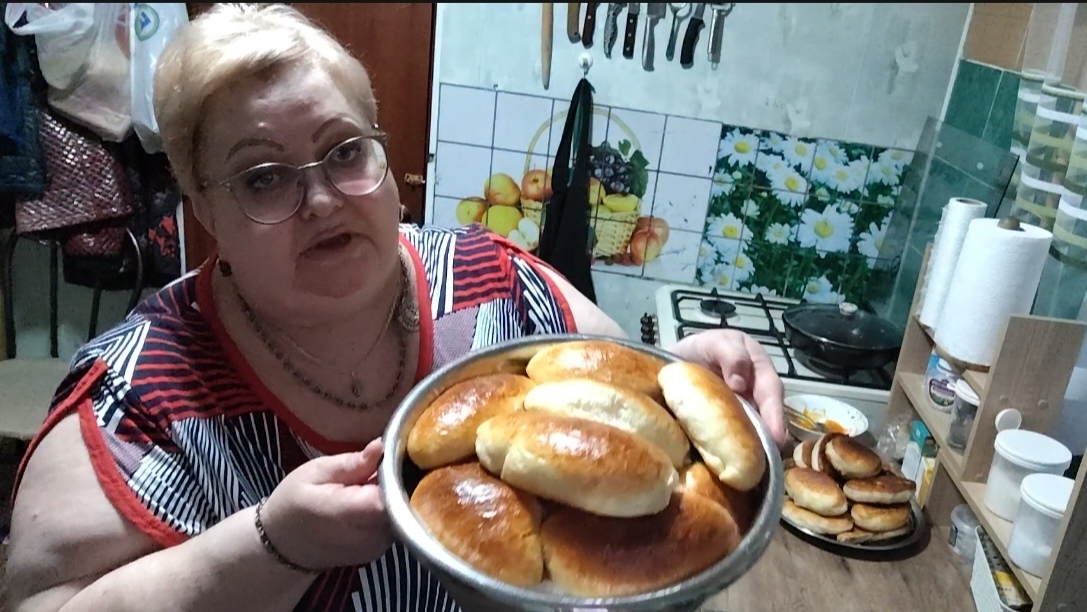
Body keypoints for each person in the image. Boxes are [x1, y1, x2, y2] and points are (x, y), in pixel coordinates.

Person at [2, 4, 787, 611]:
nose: (320, 199)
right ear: (204, 209)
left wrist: (686, 376)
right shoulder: (139, 393)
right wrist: (272, 546)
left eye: (345, 151)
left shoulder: (495, 284)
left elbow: (632, 416)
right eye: (263, 177)